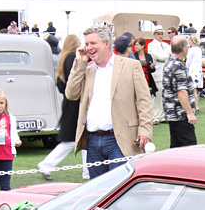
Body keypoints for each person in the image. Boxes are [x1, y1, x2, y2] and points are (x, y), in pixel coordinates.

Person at [65, 24, 153, 177]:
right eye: (86, 44)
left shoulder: (131, 66)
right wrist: (80, 62)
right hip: (93, 141)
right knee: (98, 192)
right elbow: (71, 94)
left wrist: (145, 130)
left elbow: (144, 100)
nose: (89, 47)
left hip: (120, 139)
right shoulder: (87, 70)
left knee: (119, 189)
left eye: (93, 43)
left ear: (107, 44)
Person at [38, 34, 82, 181]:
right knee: (71, 140)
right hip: (74, 103)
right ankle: (46, 164)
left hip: (71, 102)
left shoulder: (64, 58)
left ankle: (87, 170)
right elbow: (73, 80)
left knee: (80, 139)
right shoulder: (71, 58)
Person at [162, 35, 198, 148]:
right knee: (189, 146)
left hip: (172, 114)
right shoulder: (178, 65)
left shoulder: (169, 63)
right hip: (180, 114)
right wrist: (190, 113)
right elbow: (181, 91)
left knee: (175, 147)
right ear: (183, 48)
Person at [186, 34, 204, 104]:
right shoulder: (199, 49)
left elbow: (188, 61)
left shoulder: (191, 50)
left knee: (192, 90)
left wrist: (186, 68)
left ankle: (194, 105)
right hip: (198, 70)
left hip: (192, 70)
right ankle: (196, 105)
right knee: (195, 90)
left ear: (191, 41)